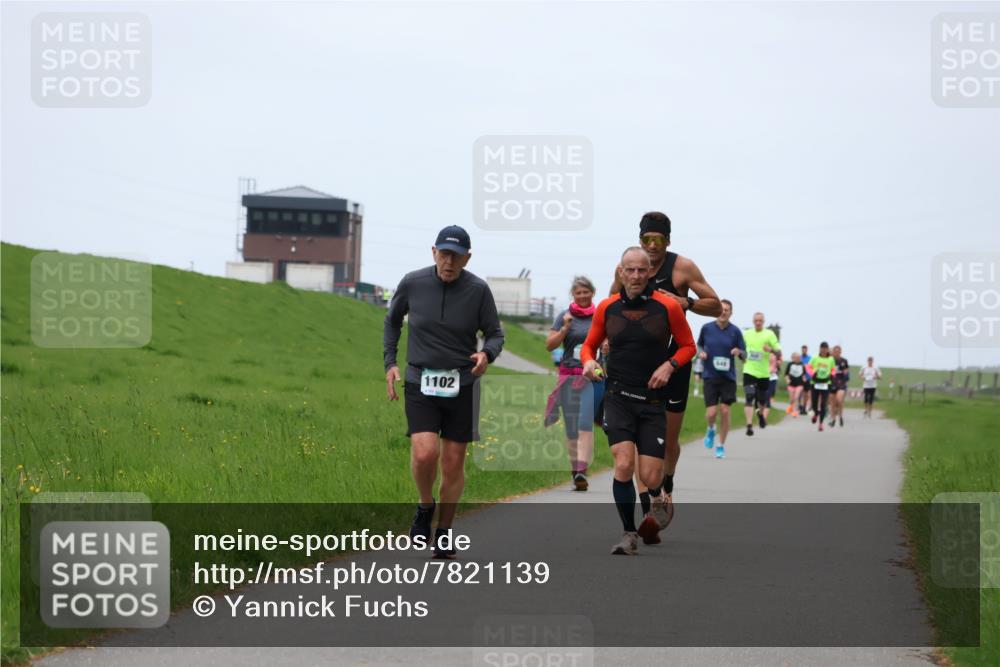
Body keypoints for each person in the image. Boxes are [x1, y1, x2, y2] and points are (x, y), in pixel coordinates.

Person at [383, 225, 505, 559]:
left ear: (467, 258)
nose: (449, 261)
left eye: (456, 255)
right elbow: (392, 321)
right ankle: (425, 505)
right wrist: (390, 363)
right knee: (425, 453)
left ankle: (444, 531)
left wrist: (486, 354)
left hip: (462, 384)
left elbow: (495, 333)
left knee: (453, 463)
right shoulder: (413, 282)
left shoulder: (478, 290)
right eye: (444, 253)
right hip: (420, 380)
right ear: (433, 252)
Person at [608, 212, 721, 538]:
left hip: (674, 364)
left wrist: (684, 302)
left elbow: (715, 305)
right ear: (640, 239)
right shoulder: (630, 267)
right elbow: (611, 305)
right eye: (647, 240)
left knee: (668, 441)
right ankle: (650, 512)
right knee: (642, 445)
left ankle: (666, 484)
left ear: (668, 241)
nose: (653, 246)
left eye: (659, 240)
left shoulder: (682, 267)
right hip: (636, 370)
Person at [583, 247, 696, 554]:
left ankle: (658, 497)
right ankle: (628, 534)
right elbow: (589, 346)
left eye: (641, 271)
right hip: (618, 396)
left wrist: (669, 366)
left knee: (650, 476)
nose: (635, 276)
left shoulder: (667, 307)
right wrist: (589, 363)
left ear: (649, 273)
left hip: (652, 401)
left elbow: (688, 346)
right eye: (629, 270)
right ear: (621, 272)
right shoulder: (607, 308)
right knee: (622, 464)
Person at [544, 276, 604, 491]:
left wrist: (607, 348)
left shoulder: (601, 315)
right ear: (573, 295)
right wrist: (564, 330)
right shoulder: (564, 316)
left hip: (593, 376)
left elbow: (611, 343)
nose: (582, 296)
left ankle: (581, 469)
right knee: (571, 428)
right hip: (569, 374)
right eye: (578, 293)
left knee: (585, 423)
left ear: (592, 293)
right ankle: (575, 472)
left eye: (585, 292)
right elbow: (549, 346)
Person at [697, 299, 746, 459]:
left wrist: (739, 352)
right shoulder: (707, 329)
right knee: (711, 413)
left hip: (728, 378)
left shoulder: (735, 332)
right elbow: (699, 346)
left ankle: (721, 445)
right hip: (710, 376)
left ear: (731, 313)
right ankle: (711, 429)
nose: (723, 312)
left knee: (725, 411)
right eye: (721, 309)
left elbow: (745, 355)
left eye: (727, 310)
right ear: (717, 310)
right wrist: (701, 353)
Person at [742, 313, 781, 436]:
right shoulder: (747, 334)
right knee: (749, 396)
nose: (758, 322)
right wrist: (741, 355)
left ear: (763, 321)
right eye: (756, 320)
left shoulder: (769, 334)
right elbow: (740, 348)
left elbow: (779, 352)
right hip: (749, 370)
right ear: (753, 321)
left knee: (762, 400)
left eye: (760, 321)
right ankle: (749, 425)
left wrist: (771, 350)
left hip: (764, 373)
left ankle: (760, 414)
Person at [806, 342, 837, 432]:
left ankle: (821, 424)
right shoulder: (815, 358)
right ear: (820, 349)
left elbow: (833, 369)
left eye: (825, 348)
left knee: (823, 404)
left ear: (827, 349)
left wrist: (832, 375)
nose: (823, 350)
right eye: (822, 348)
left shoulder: (831, 359)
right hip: (815, 382)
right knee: (815, 403)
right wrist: (812, 374)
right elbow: (808, 367)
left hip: (826, 383)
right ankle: (816, 414)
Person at [829, 345, 850, 427]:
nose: (836, 353)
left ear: (840, 352)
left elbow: (846, 372)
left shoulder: (844, 361)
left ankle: (840, 416)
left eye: (838, 351)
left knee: (839, 400)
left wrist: (845, 375)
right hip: (831, 383)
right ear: (833, 352)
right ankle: (833, 419)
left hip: (841, 383)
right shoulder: (830, 361)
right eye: (835, 351)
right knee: (832, 403)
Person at [784, 352, 806, 417]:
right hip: (791, 384)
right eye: (796, 357)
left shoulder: (802, 365)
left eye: (799, 357)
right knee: (791, 399)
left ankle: (795, 412)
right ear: (793, 358)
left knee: (796, 397)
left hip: (799, 384)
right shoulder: (790, 364)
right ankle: (791, 407)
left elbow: (803, 374)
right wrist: (787, 380)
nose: (798, 358)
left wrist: (804, 379)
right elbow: (786, 374)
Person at [799, 344, 813, 415]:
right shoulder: (799, 357)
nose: (804, 351)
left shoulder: (810, 358)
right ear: (801, 350)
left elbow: (811, 367)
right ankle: (800, 405)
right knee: (799, 392)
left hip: (807, 378)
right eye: (803, 349)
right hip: (799, 378)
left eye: (805, 349)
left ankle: (804, 407)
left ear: (807, 350)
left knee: (806, 394)